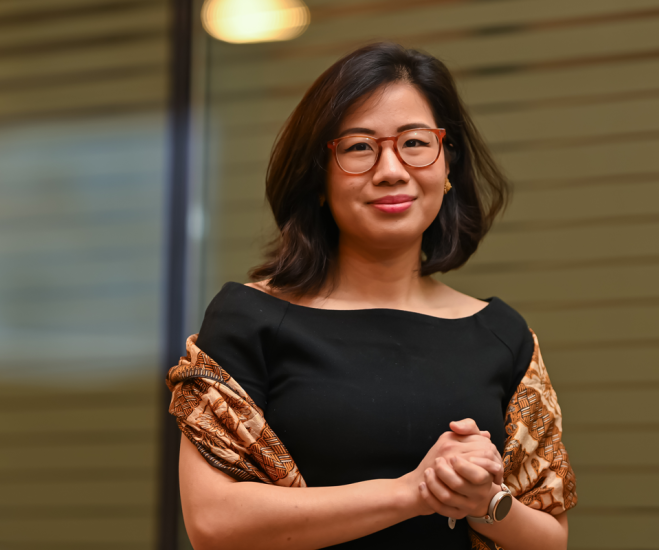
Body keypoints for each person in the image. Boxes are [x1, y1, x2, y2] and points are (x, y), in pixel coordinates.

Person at [176, 42, 575, 549]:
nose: (391, 169)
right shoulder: (250, 318)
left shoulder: (503, 335)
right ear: (318, 177)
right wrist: (413, 492)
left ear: (447, 166)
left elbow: (551, 540)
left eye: (414, 142)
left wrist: (483, 503)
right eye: (359, 147)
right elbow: (214, 523)